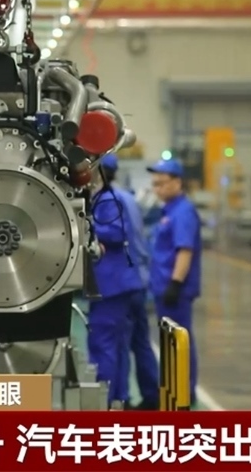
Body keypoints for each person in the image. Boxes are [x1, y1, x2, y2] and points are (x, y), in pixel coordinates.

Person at [88, 156, 156, 409]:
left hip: (113, 285)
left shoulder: (106, 199)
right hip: (130, 281)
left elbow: (116, 232)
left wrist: (84, 226)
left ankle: (105, 402)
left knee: (103, 344)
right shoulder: (122, 196)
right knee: (120, 345)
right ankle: (121, 398)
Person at [147, 158, 202, 403]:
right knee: (170, 342)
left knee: (179, 342)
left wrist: (176, 283)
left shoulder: (183, 212)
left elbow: (184, 250)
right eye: (155, 184)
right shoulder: (168, 211)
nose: (157, 189)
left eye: (162, 183)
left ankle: (185, 391)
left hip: (175, 291)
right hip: (163, 288)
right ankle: (175, 390)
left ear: (177, 183)